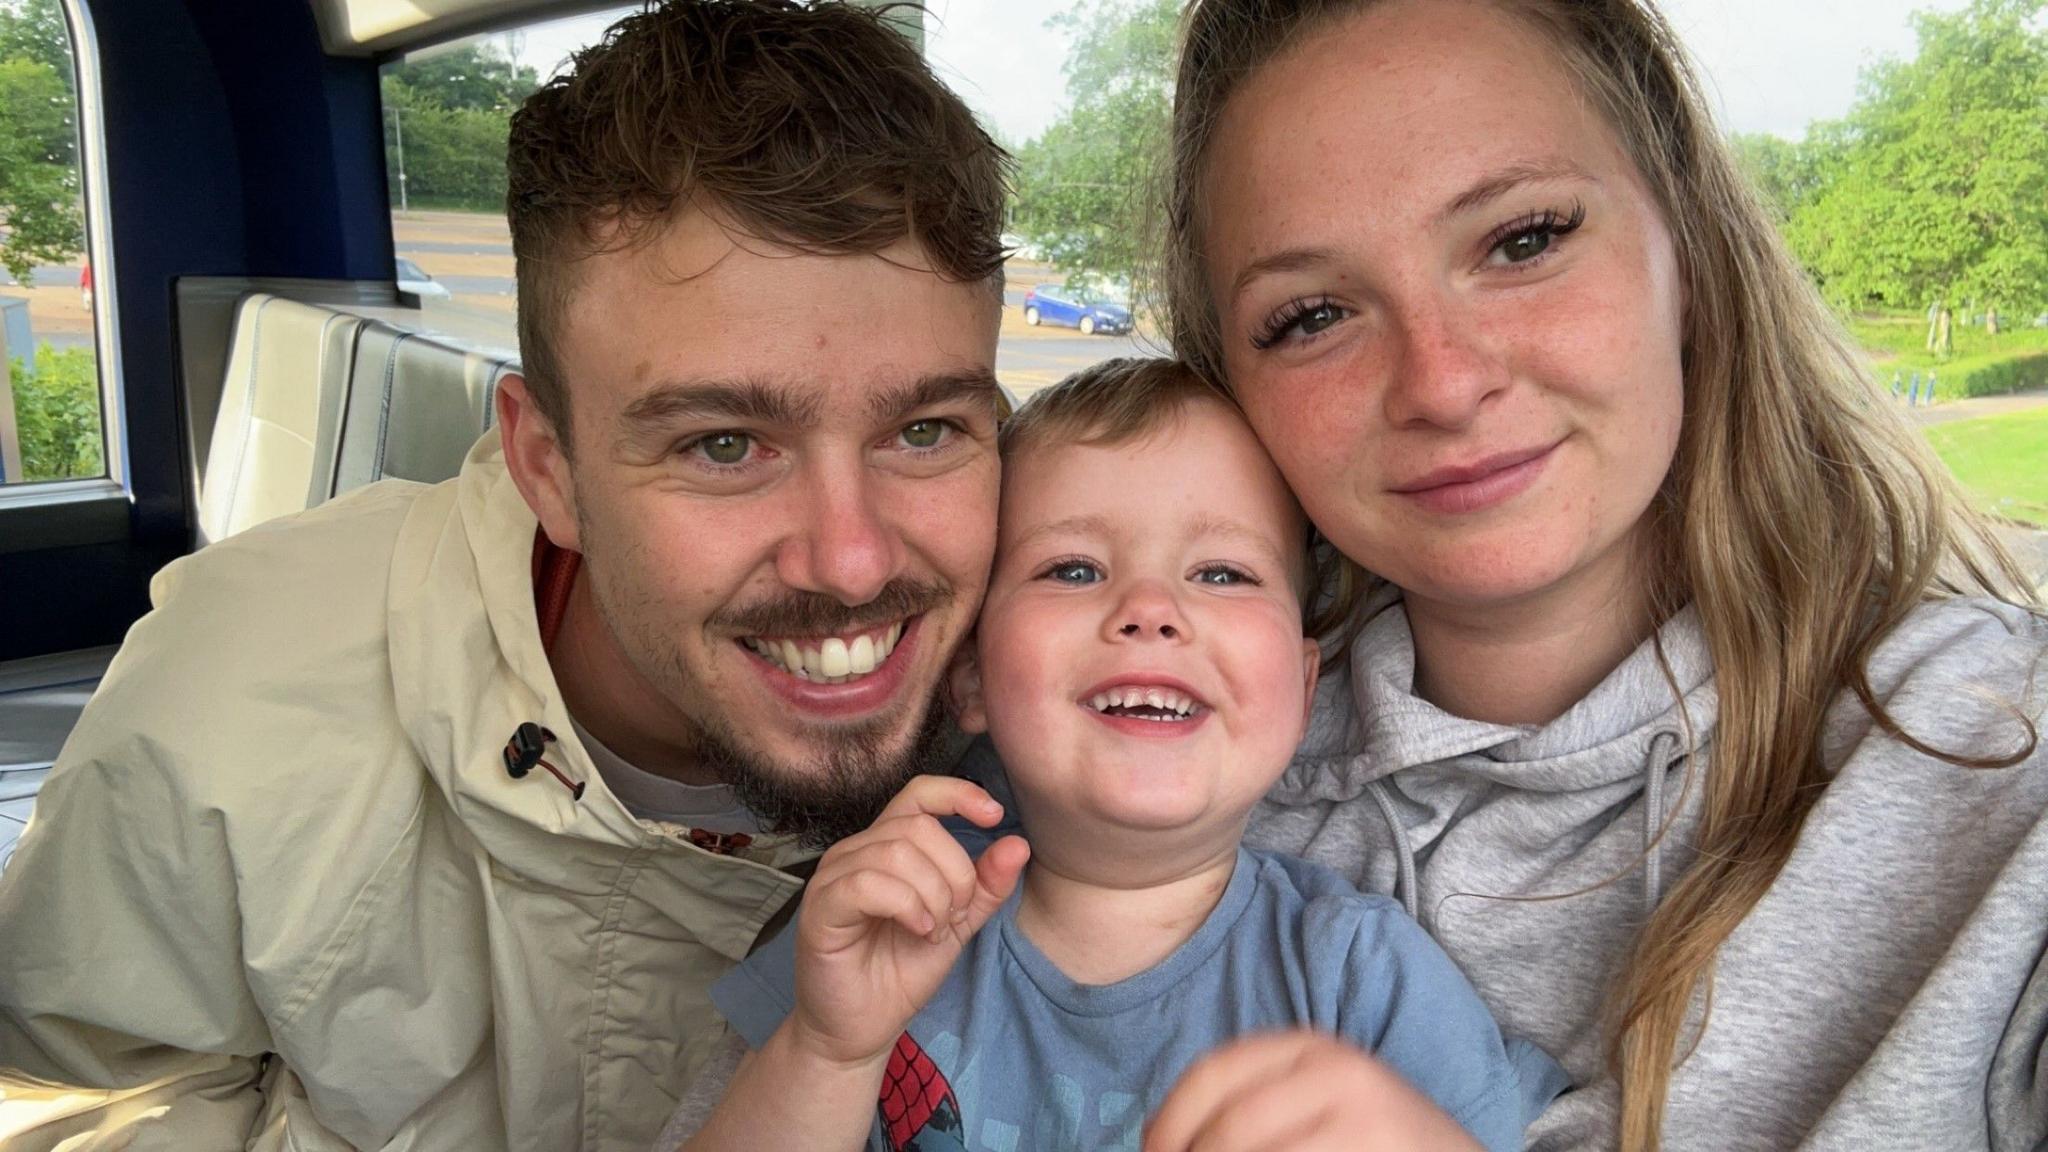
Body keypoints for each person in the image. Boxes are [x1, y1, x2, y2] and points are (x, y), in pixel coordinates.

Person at [0, 3, 1009, 1149]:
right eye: (723, 444)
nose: (852, 559)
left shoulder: (1072, 716)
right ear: (548, 465)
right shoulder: (231, 709)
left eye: (924, 430)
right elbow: (84, 1097)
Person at [1159, 1, 2048, 1149]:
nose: (1439, 381)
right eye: (1313, 314)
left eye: (1520, 239)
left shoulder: (2000, 764)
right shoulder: (1163, 789)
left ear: (1683, 242)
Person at [667, 358, 1566, 1152]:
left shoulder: (1362, 979)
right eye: (1072, 570)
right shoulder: (876, 922)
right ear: (970, 677)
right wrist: (828, 1051)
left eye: (1222, 574)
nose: (1149, 607)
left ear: (1302, 691)